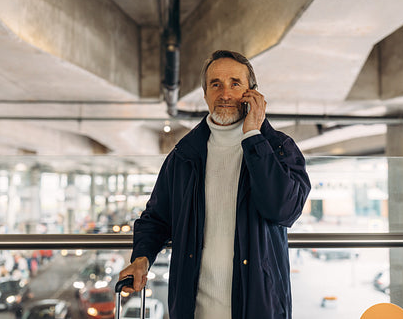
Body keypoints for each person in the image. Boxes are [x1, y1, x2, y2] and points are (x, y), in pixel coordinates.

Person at [119, 50, 311, 319]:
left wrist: (254, 136)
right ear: (206, 94)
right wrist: (142, 257)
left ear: (252, 93)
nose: (225, 94)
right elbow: (157, 218)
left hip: (258, 307)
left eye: (235, 83)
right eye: (216, 84)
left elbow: (284, 210)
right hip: (194, 309)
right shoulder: (184, 155)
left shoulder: (279, 148)